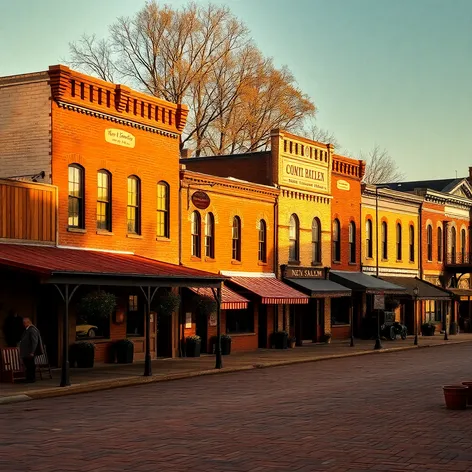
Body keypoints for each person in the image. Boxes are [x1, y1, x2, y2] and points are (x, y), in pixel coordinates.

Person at [19, 317, 43, 383]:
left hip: (29, 352)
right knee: (28, 365)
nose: (23, 324)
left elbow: (34, 341)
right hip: (26, 352)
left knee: (30, 365)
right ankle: (29, 378)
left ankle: (31, 379)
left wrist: (32, 351)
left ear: (28, 322)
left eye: (24, 322)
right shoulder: (27, 329)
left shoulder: (32, 329)